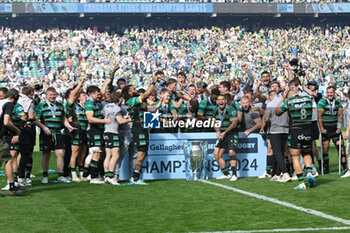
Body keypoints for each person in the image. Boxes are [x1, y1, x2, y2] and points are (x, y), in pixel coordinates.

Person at [276, 86, 315, 190]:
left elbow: (277, 111)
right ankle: (310, 173)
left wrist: (283, 98)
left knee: (295, 157)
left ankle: (302, 183)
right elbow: (313, 95)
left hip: (295, 130)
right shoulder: (308, 99)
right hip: (308, 129)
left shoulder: (288, 101)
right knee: (306, 152)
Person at [123, 74, 158, 185]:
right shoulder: (131, 101)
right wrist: (153, 83)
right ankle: (135, 178)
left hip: (143, 128)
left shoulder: (136, 102)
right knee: (141, 153)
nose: (136, 89)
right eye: (133, 89)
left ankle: (136, 176)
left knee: (144, 152)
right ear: (129, 93)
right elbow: (146, 94)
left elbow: (149, 108)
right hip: (138, 128)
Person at [35, 87, 73, 184]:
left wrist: (68, 126)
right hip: (46, 134)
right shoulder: (41, 105)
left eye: (54, 94)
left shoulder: (60, 105)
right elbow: (35, 119)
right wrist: (43, 127)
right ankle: (45, 176)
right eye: (50, 95)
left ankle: (61, 175)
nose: (52, 96)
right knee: (46, 155)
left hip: (58, 133)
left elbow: (63, 119)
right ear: (46, 95)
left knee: (60, 154)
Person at [102, 91, 131, 185]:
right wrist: (130, 119)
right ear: (119, 99)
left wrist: (123, 117)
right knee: (115, 155)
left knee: (108, 155)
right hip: (113, 132)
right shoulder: (117, 108)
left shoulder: (106, 106)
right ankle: (111, 176)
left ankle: (106, 176)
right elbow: (120, 121)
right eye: (121, 98)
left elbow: (108, 116)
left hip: (106, 131)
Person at [0, 89, 25, 196]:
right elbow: (6, 122)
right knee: (8, 159)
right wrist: (17, 131)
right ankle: (12, 187)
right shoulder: (8, 104)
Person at [85, 85, 111, 184]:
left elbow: (102, 92)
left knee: (98, 153)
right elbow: (90, 118)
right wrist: (103, 121)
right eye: (97, 94)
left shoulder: (96, 102)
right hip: (93, 130)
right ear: (91, 94)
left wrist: (107, 82)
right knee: (96, 153)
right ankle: (93, 177)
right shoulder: (89, 104)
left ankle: (93, 175)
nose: (99, 95)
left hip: (98, 130)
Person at [263, 88, 290, 182]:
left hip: (275, 130)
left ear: (270, 97)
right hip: (286, 129)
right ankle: (278, 174)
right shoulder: (286, 102)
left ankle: (285, 173)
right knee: (282, 152)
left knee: (277, 153)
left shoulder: (270, 104)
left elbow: (266, 118)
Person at [317, 86, 345, 174]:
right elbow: (319, 116)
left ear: (334, 93)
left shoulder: (338, 102)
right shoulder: (322, 101)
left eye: (331, 92)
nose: (329, 94)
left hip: (335, 128)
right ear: (326, 93)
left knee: (341, 148)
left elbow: (340, 115)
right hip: (326, 128)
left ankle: (344, 168)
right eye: (328, 92)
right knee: (325, 148)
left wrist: (339, 128)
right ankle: (326, 167)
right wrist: (322, 129)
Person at [65, 78, 88, 182]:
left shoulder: (82, 106)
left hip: (84, 131)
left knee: (83, 153)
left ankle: (82, 173)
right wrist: (81, 83)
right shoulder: (70, 105)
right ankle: (73, 174)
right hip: (76, 131)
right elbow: (74, 94)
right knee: (75, 153)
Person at [213, 94, 239, 181]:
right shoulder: (215, 110)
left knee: (231, 152)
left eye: (222, 100)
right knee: (216, 154)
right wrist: (218, 131)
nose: (221, 101)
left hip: (231, 133)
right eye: (219, 100)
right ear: (216, 102)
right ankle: (226, 174)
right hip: (222, 134)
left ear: (225, 101)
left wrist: (225, 132)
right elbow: (214, 122)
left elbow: (234, 123)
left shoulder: (231, 109)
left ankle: (234, 175)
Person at [17, 86, 36, 187]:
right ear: (30, 94)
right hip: (26, 129)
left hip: (14, 129)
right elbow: (31, 116)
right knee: (27, 153)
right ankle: (24, 177)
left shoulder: (16, 100)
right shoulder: (29, 101)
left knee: (15, 154)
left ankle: (15, 177)